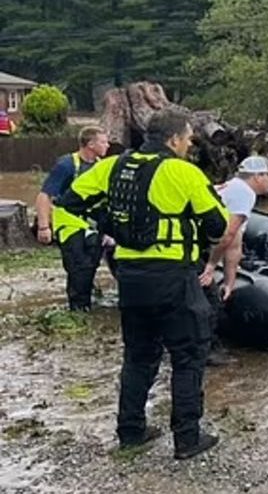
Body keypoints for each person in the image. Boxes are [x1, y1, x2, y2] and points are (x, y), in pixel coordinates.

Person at [58, 109, 229, 460]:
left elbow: (71, 201)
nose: (187, 146)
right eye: (186, 140)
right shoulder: (183, 172)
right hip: (173, 275)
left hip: (131, 277)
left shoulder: (111, 166)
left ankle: (131, 432)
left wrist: (111, 223)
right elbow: (216, 224)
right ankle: (187, 438)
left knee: (138, 357)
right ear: (173, 139)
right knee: (188, 356)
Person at [200, 156, 268, 366]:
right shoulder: (243, 193)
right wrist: (210, 266)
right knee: (209, 299)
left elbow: (235, 243)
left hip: (199, 241)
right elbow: (227, 235)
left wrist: (230, 280)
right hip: (190, 244)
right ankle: (206, 351)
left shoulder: (235, 189)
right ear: (257, 176)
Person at [35, 126, 111, 311]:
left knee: (92, 264)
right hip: (68, 223)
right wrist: (44, 226)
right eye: (103, 142)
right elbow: (45, 196)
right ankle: (78, 309)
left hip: (93, 224)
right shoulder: (66, 165)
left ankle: (88, 300)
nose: (108, 145)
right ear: (91, 144)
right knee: (77, 266)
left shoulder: (103, 166)